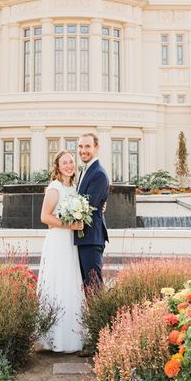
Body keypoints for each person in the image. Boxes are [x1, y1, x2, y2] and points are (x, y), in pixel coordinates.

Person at [37, 149, 85, 353]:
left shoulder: (74, 187)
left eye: (71, 162)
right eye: (64, 162)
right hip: (58, 241)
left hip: (71, 242)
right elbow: (45, 217)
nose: (69, 165)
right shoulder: (54, 188)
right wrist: (70, 226)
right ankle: (53, 337)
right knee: (57, 284)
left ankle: (72, 337)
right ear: (57, 166)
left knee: (71, 285)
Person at [75, 132, 110, 288]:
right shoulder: (85, 171)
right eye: (81, 146)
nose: (83, 150)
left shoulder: (99, 174)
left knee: (94, 287)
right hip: (84, 238)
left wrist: (57, 217)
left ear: (96, 148)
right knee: (87, 287)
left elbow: (87, 206)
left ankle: (101, 314)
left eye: (88, 146)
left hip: (91, 239)